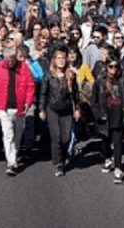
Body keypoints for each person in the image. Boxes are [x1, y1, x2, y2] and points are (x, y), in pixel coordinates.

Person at [0, 47, 36, 176]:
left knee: (18, 134)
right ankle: (11, 162)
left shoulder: (24, 67)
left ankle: (14, 154)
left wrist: (28, 102)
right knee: (8, 134)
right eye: (8, 59)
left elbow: (30, 86)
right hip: (4, 107)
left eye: (12, 59)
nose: (10, 62)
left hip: (20, 107)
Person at [39, 46, 79, 176]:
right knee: (56, 137)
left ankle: (64, 153)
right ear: (54, 60)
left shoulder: (70, 75)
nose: (61, 61)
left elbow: (76, 95)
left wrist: (77, 109)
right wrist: (41, 109)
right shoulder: (49, 76)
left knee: (66, 138)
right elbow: (43, 94)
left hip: (66, 110)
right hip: (53, 109)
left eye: (63, 58)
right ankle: (59, 162)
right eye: (58, 58)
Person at [92, 59, 124, 183]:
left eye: (116, 67)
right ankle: (108, 158)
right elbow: (95, 100)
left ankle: (118, 168)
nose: (113, 70)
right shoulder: (100, 82)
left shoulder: (122, 80)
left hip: (118, 116)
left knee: (118, 143)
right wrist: (98, 115)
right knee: (105, 141)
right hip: (105, 116)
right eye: (111, 67)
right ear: (106, 67)